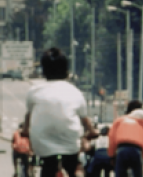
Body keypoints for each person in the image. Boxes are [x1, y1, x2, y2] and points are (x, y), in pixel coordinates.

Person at [23, 47, 98, 177]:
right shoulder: (75, 92)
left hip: (42, 147)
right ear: (66, 71)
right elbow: (86, 122)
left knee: (47, 167)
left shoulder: (33, 92)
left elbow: (27, 121)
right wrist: (92, 132)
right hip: (70, 147)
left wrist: (25, 132)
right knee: (74, 168)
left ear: (44, 70)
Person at [107, 100, 143, 177]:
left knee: (120, 173)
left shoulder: (120, 120)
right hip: (136, 150)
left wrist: (111, 155)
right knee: (138, 174)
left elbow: (112, 138)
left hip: (122, 149)